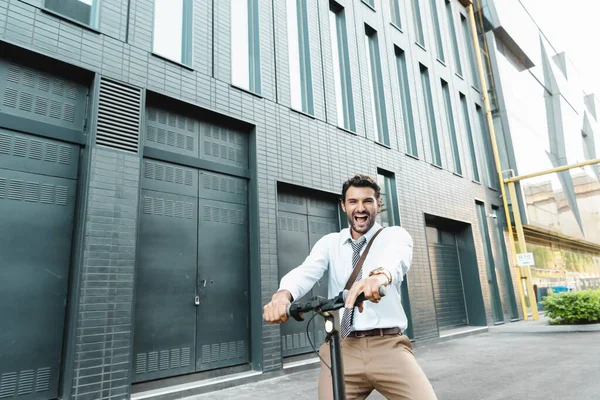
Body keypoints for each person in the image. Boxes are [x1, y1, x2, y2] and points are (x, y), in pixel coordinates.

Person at [263, 174, 437, 400]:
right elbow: (306, 271)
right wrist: (282, 295)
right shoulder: (330, 243)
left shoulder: (394, 235)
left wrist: (379, 276)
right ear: (343, 205)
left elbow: (396, 259)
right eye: (353, 202)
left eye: (367, 201)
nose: (360, 208)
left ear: (378, 204)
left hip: (388, 346)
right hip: (341, 348)